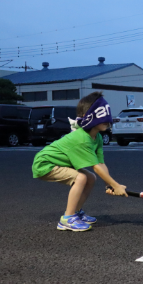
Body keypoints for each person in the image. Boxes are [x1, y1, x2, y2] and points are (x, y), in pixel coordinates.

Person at [32, 92, 128, 232]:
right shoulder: (82, 138)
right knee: (81, 177)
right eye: (102, 116)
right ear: (88, 117)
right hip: (45, 163)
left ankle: (76, 212)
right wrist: (116, 185)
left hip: (58, 163)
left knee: (90, 178)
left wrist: (110, 185)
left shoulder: (98, 137)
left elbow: (101, 163)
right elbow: (96, 167)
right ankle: (67, 218)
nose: (107, 120)